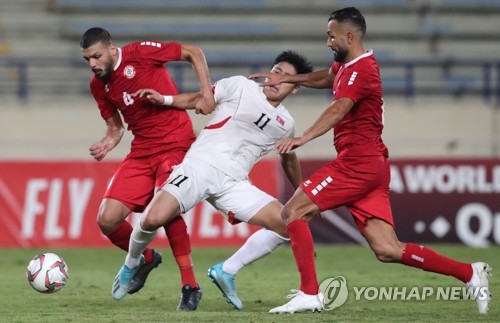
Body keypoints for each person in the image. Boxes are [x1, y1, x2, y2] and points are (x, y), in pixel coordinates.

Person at [250, 7, 492, 314]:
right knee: (387, 249)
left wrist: (304, 137)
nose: (328, 42)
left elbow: (339, 109)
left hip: (357, 164)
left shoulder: (362, 70)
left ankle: (310, 292)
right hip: (372, 166)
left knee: (293, 211)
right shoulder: (346, 66)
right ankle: (470, 273)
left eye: (331, 36)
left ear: (348, 36)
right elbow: (326, 77)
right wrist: (291, 77)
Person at [110, 51, 313, 310]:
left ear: (296, 88)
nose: (275, 79)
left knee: (289, 224)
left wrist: (301, 191)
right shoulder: (241, 85)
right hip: (200, 166)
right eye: (275, 71)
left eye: (285, 77)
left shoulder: (286, 124)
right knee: (151, 219)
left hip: (234, 184)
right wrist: (166, 99)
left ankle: (226, 271)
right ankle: (132, 262)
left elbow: (288, 158)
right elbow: (200, 98)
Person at [80, 27, 216, 310]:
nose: (92, 64)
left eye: (96, 56)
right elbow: (115, 127)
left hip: (175, 143)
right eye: (87, 59)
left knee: (165, 212)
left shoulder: (140, 52)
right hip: (141, 152)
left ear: (112, 50)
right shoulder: (98, 85)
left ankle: (190, 284)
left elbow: (192, 51)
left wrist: (206, 93)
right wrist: (107, 142)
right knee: (106, 220)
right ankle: (146, 257)